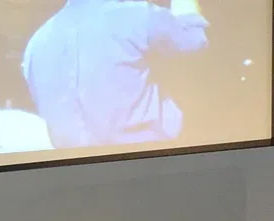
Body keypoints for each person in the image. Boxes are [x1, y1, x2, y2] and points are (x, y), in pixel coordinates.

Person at [22, 0, 209, 149]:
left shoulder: (35, 45)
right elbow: (195, 40)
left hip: (78, 175)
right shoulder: (136, 16)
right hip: (152, 164)